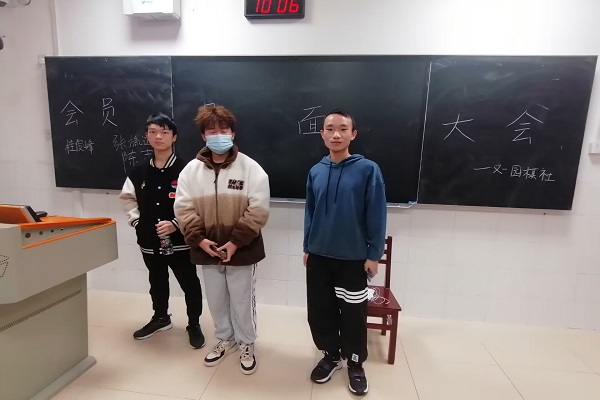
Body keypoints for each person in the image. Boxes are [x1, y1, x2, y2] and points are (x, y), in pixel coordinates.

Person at [174, 104, 270, 375]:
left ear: (232, 133)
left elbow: (259, 209)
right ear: (203, 136)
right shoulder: (190, 171)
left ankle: (246, 342)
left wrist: (235, 242)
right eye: (212, 131)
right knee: (216, 300)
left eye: (223, 130)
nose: (218, 135)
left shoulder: (251, 168)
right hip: (207, 249)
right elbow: (183, 209)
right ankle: (225, 338)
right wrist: (200, 240)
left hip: (242, 249)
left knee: (241, 300)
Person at [303, 109, 387, 396]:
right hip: (319, 257)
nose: (335, 134)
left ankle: (355, 362)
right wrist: (307, 247)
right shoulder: (316, 171)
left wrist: (374, 255)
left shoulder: (368, 170)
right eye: (329, 129)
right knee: (320, 311)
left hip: (353, 258)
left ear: (353, 134)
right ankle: (331, 355)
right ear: (322, 134)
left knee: (353, 313)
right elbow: (310, 213)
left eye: (342, 129)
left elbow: (377, 214)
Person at [119, 113, 205, 349]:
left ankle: (194, 324)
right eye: (153, 132)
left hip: (180, 239)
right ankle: (160, 318)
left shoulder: (188, 170)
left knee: (189, 282)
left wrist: (177, 223)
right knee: (156, 281)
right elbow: (127, 199)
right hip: (149, 240)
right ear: (147, 136)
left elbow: (198, 202)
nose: (158, 136)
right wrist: (137, 222)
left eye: (164, 132)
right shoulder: (138, 172)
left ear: (174, 137)